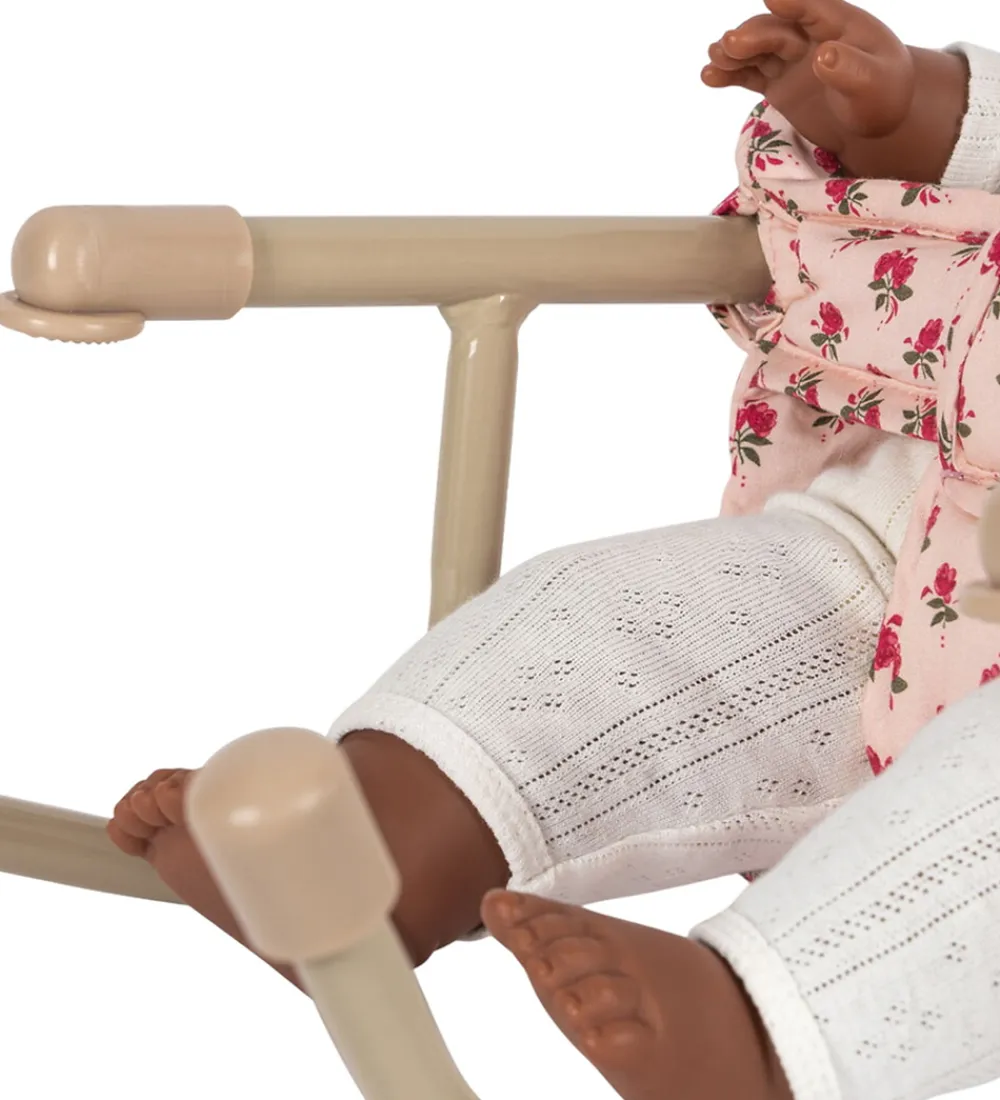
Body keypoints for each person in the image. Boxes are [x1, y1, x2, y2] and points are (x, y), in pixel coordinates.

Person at [107, 2, 1000, 1096]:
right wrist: (899, 108)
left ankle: (759, 1027)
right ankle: (391, 833)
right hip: (903, 540)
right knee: (634, 623)